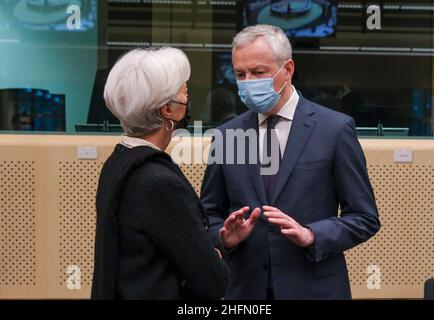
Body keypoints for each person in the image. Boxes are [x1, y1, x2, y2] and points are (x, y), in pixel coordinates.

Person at [201, 25, 380, 299]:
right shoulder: (227, 135)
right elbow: (209, 214)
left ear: (288, 69)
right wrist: (224, 239)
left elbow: (365, 217)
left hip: (314, 289)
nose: (248, 81)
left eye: (258, 72)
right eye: (240, 74)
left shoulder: (334, 129)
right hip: (247, 291)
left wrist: (312, 234)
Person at [91, 47, 229, 300]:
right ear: (168, 109)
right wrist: (213, 258)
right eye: (185, 92)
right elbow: (213, 280)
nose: (188, 100)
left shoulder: (118, 163)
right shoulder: (158, 182)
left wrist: (219, 246)